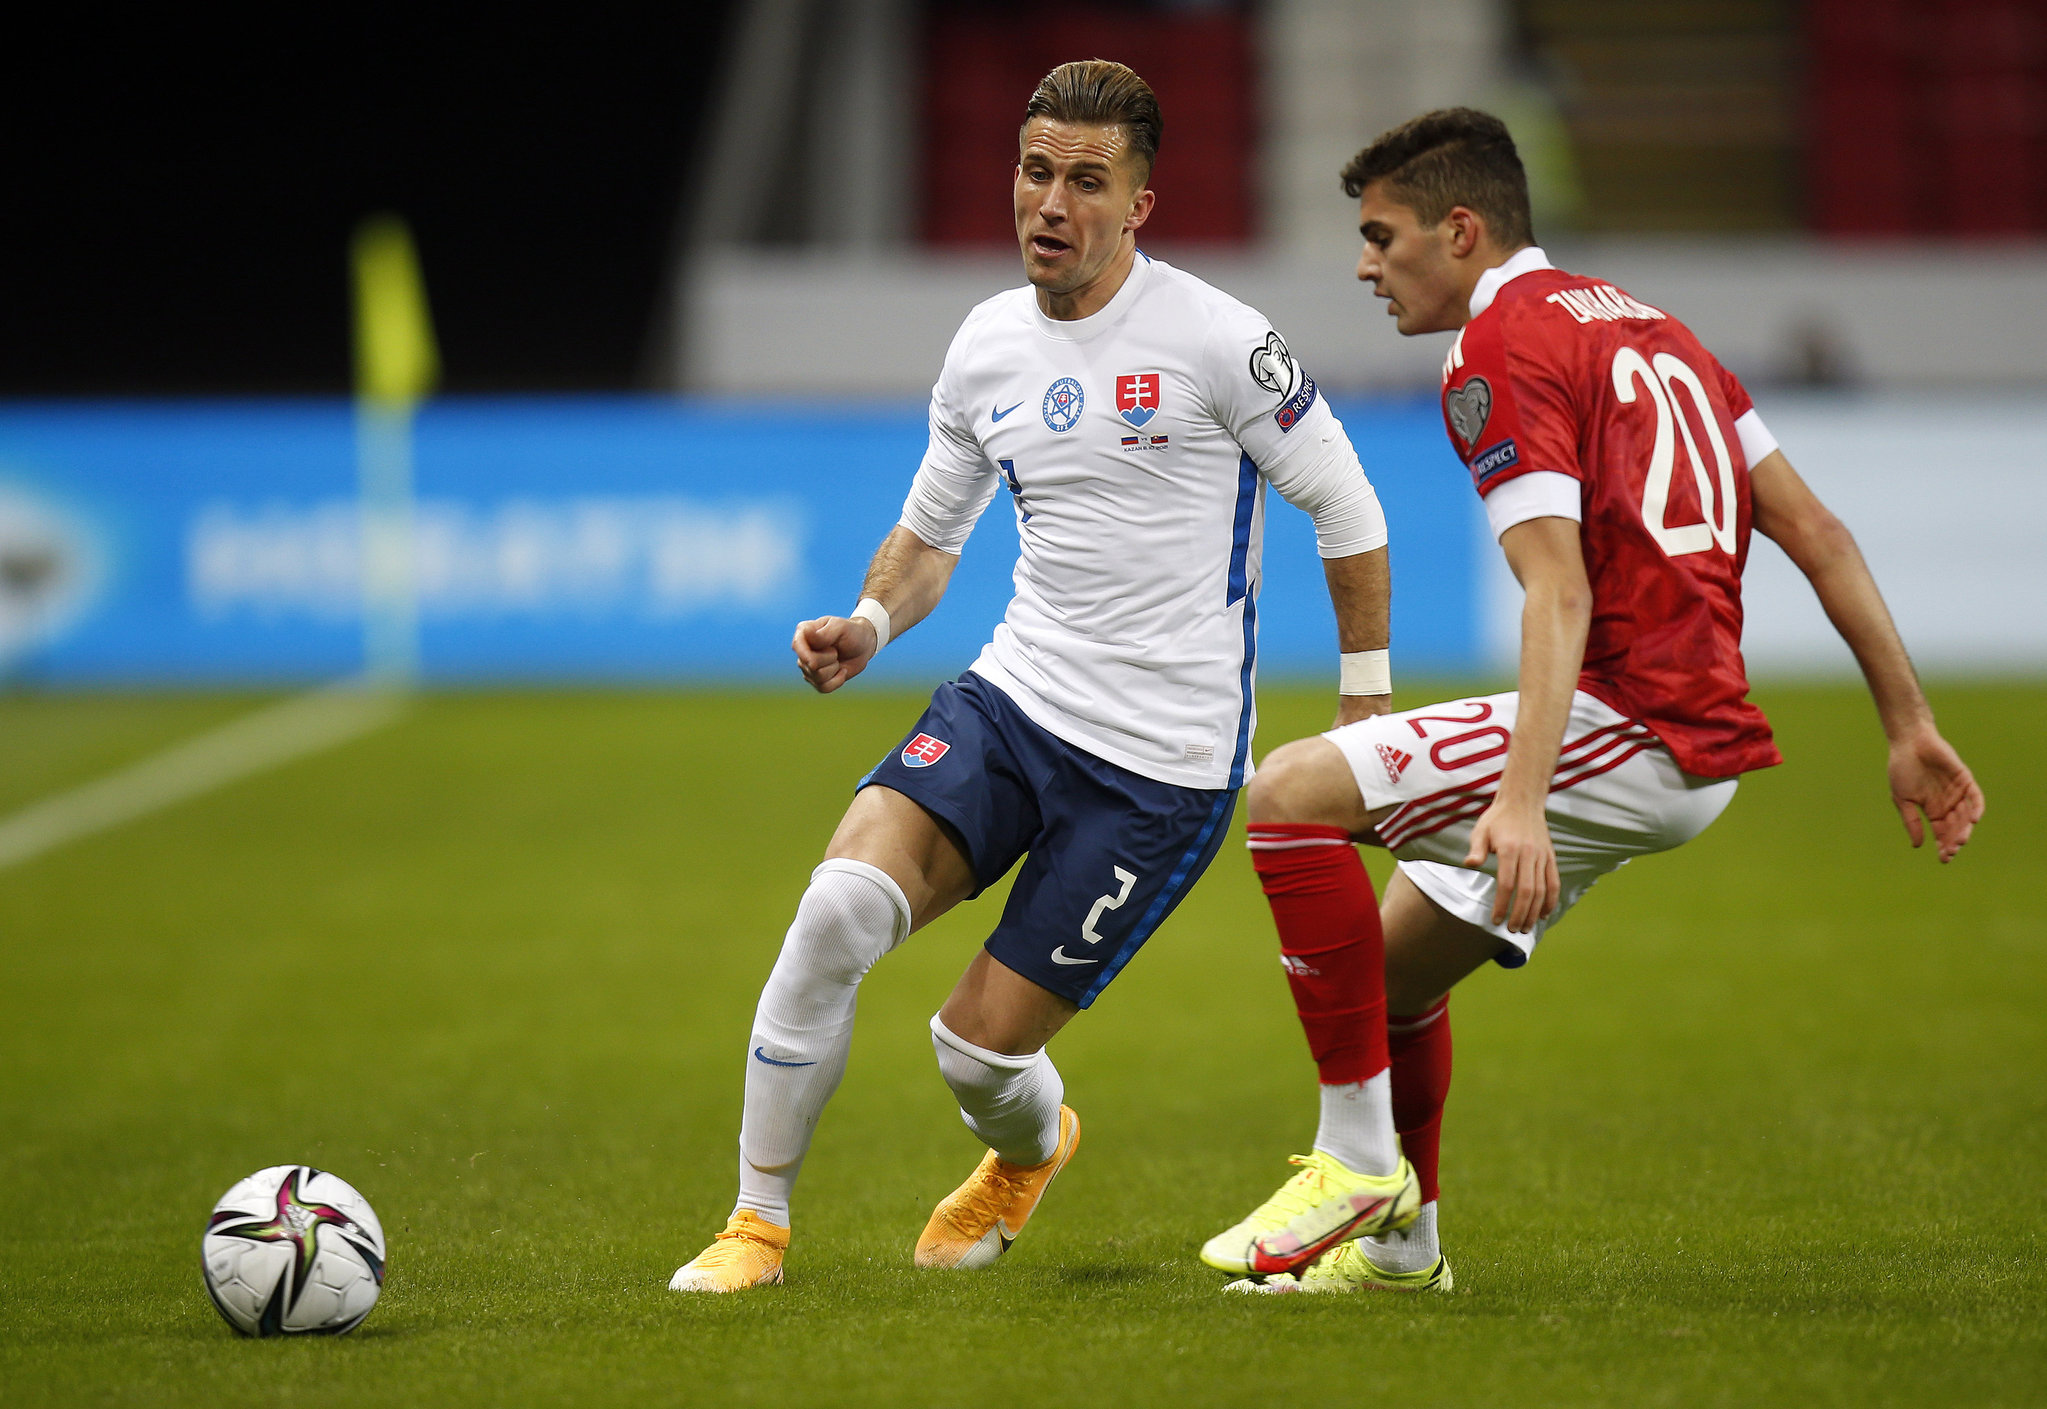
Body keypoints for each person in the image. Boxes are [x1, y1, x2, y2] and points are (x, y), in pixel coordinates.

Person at [1203, 109, 1985, 1295]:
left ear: (1459, 230)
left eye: (1381, 235)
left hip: (1632, 725)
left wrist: (1517, 802)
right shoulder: (1655, 329)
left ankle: (1354, 1161)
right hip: (1680, 733)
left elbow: (1556, 588)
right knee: (1398, 975)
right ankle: (1406, 1251)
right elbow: (1818, 533)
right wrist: (1908, 723)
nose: (1364, 265)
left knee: (1286, 797)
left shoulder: (1499, 346)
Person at [670, 59, 1400, 1293]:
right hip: (1011, 701)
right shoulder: (987, 346)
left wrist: (1366, 706)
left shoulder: (1218, 340)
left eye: (1084, 181)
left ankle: (1028, 1148)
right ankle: (756, 1222)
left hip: (1158, 770)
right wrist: (868, 618)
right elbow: (931, 533)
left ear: (1140, 205)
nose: (1049, 203)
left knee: (973, 1056)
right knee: (836, 909)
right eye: (1033, 171)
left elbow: (1347, 502)